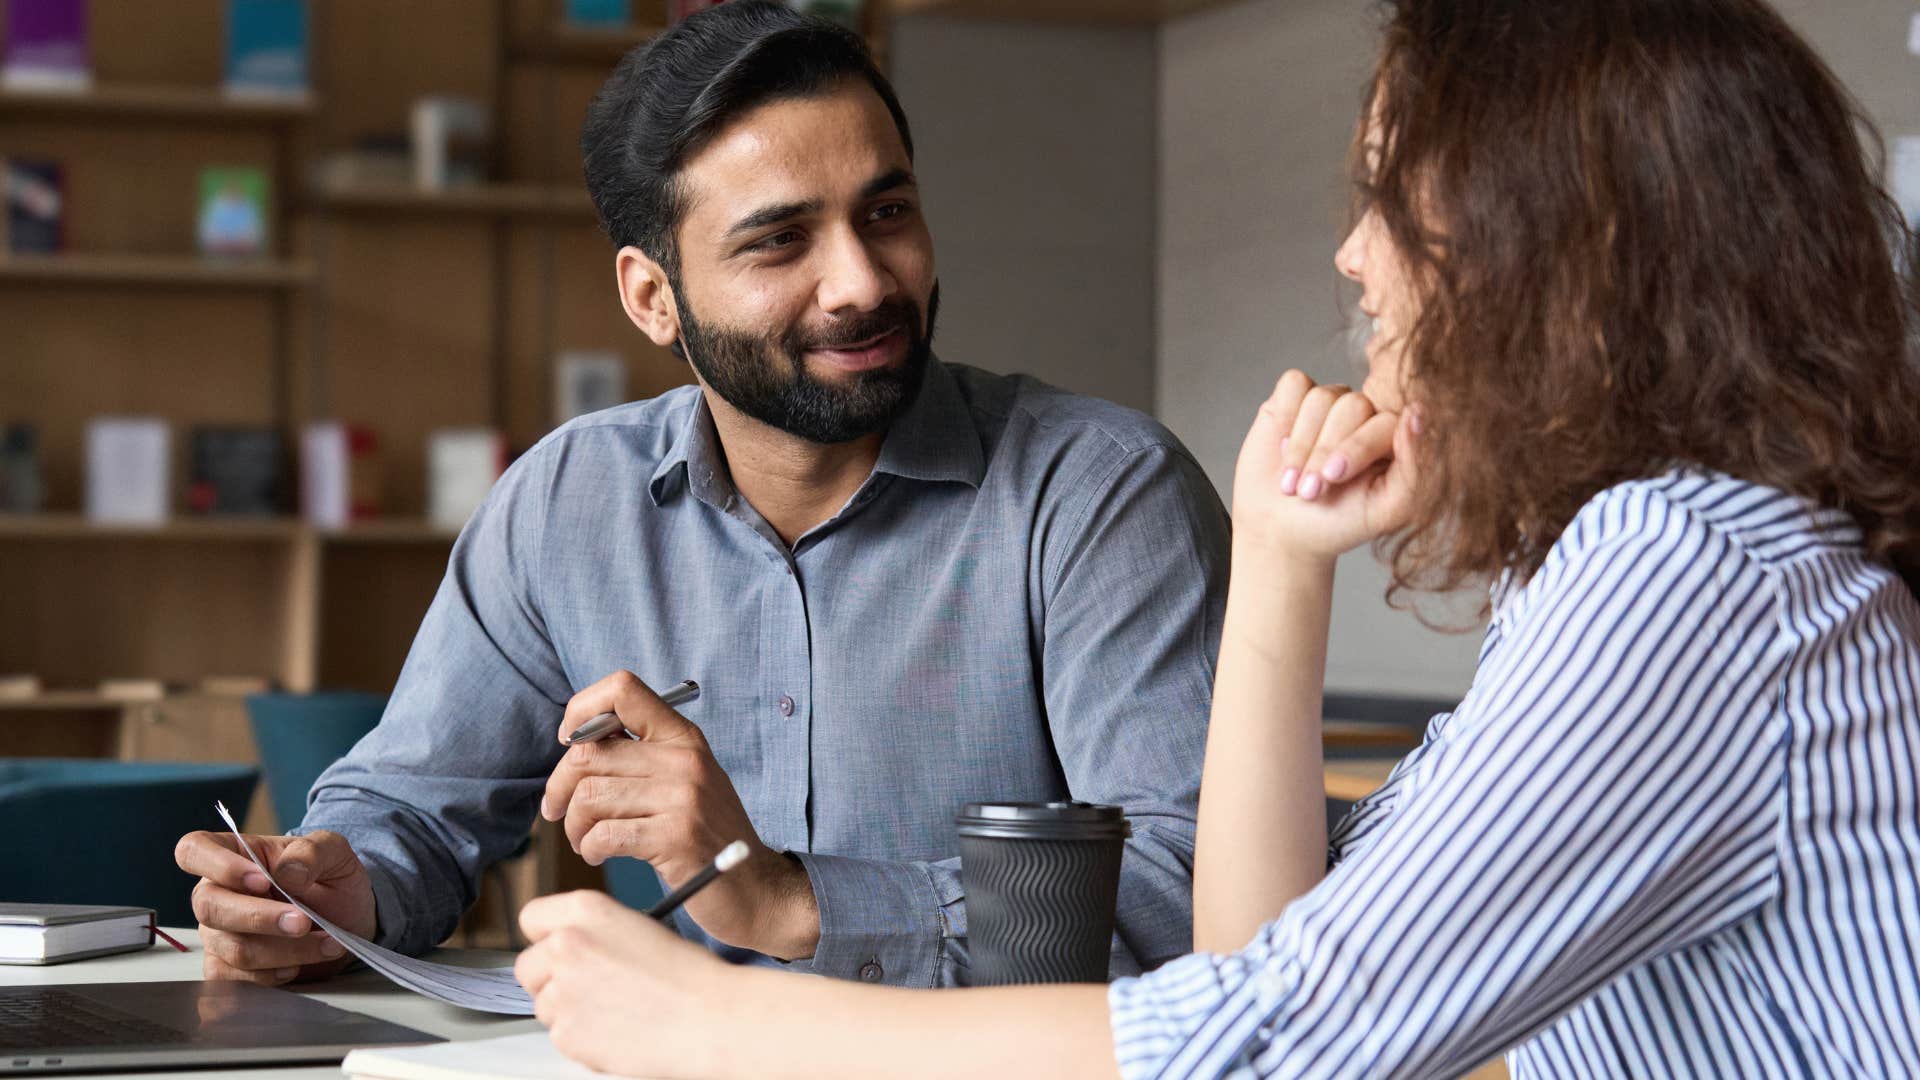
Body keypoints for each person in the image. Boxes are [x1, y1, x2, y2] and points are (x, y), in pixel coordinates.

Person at [509, 0, 1920, 1075]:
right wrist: (1283, 563)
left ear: (1542, 235)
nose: (1352, 257)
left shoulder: (1689, 574)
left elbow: (1269, 1039)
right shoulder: (1668, 560)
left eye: (1386, 197)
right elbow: (1264, 954)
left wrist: (735, 1020)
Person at [173, 3, 1226, 990]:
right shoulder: (567, 503)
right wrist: (339, 886)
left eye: (887, 211)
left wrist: (793, 903)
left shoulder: (1100, 493)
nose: (862, 280)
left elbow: (1204, 896)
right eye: (780, 241)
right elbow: (412, 801)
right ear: (652, 297)